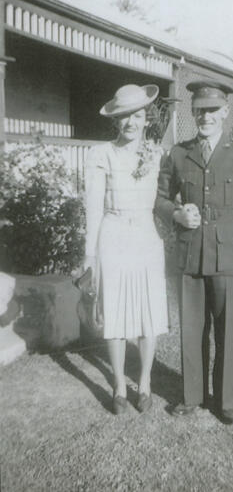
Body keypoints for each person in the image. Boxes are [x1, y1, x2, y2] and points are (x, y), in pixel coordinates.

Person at [155, 80, 233, 424]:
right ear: (193, 112)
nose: (205, 117)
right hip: (190, 254)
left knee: (228, 330)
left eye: (212, 111)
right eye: (200, 110)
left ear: (226, 112)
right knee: (192, 328)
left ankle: (227, 402)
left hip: (231, 257)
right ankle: (191, 396)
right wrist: (175, 213)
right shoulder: (178, 152)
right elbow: (157, 199)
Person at [84, 84, 169, 415]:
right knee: (116, 312)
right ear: (115, 121)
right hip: (114, 234)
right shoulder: (100, 154)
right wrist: (89, 254)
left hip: (146, 237)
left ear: (146, 117)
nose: (130, 122)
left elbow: (164, 201)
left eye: (136, 115)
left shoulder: (156, 154)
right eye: (123, 117)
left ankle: (144, 383)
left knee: (149, 312)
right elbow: (93, 208)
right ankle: (119, 386)